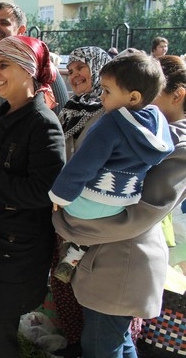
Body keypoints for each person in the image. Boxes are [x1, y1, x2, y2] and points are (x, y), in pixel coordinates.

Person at [52, 55, 186, 358]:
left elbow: (142, 214)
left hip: (122, 263)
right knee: (115, 341)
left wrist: (67, 222)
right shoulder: (145, 129)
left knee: (102, 345)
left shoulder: (175, 144)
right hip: (110, 261)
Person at [0, 35, 65, 357]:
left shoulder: (43, 125)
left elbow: (44, 190)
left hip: (17, 251)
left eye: (3, 65)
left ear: (28, 69)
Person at [49, 54, 174, 283]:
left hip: (88, 201)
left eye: (106, 91)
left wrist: (59, 195)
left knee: (57, 210)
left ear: (133, 97)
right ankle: (77, 253)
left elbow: (83, 165)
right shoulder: (157, 121)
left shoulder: (111, 123)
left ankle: (71, 254)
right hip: (121, 203)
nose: (102, 97)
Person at [48, 45, 111, 358]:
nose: (73, 76)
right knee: (62, 277)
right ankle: (74, 342)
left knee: (90, 282)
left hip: (93, 215)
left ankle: (95, 345)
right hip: (63, 211)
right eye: (70, 70)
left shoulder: (109, 112)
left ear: (98, 69)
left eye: (80, 68)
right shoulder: (69, 108)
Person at [0, 2, 69, 160]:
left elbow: (63, 116)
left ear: (21, 30)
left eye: (4, 23)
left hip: (25, 167)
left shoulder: (41, 66)